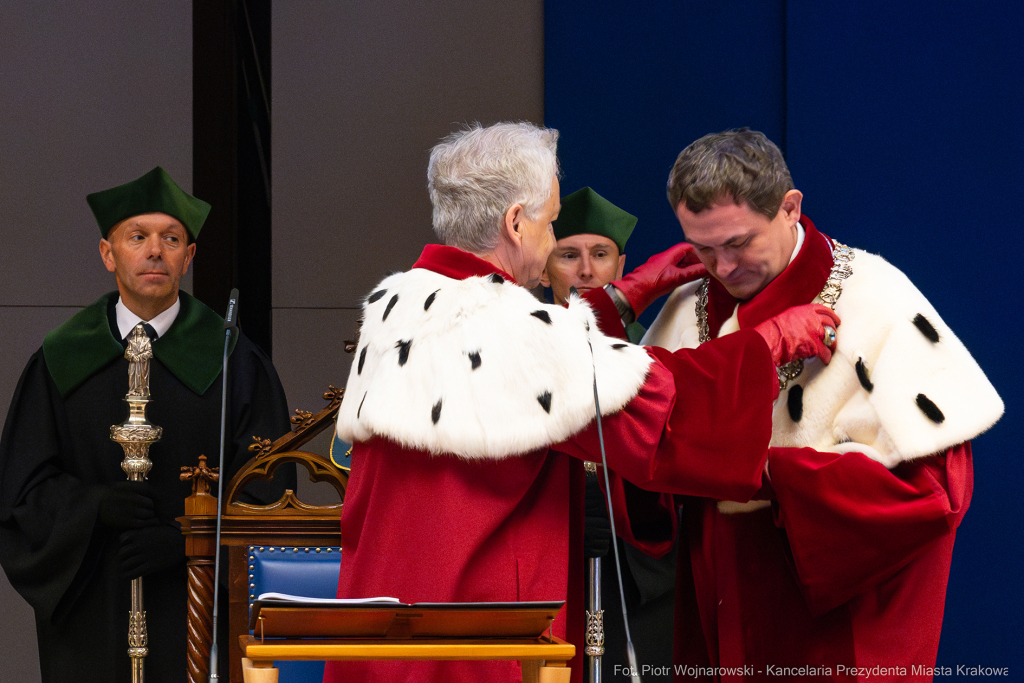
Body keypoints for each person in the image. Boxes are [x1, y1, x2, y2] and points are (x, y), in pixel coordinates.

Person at [324, 122, 837, 683]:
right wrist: (770, 342)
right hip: (474, 645)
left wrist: (624, 293)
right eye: (549, 222)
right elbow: (659, 408)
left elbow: (555, 361)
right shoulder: (511, 328)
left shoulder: (399, 305)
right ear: (515, 223)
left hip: (383, 635)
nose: (550, 243)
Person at [631, 129, 1003, 680]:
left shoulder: (875, 294)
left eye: (739, 243)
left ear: (789, 208)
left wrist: (768, 476)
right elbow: (632, 441)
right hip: (718, 590)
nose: (723, 268)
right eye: (704, 249)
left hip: (827, 604)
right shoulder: (688, 304)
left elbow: (938, 489)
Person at [0, 167, 296, 683]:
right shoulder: (60, 361)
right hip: (94, 607)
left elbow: (269, 494)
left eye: (172, 239)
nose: (155, 251)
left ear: (189, 256)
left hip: (195, 604)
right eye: (138, 237)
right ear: (108, 254)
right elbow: (20, 498)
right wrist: (93, 508)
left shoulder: (234, 364)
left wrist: (190, 542)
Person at [542, 186, 684, 678]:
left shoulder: (658, 347)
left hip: (641, 570)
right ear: (542, 267)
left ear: (621, 267)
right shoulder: (522, 348)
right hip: (551, 556)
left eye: (600, 255)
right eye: (568, 255)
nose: (586, 271)